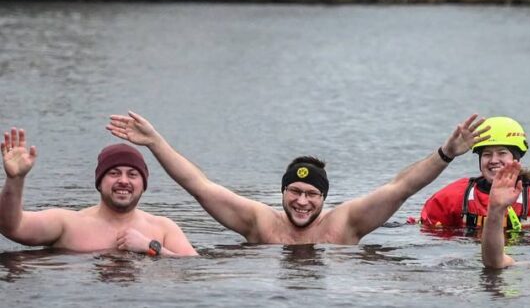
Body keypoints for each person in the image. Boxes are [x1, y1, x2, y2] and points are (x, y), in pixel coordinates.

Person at [106, 112, 489, 245]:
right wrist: (155, 142)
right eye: (294, 192)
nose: (302, 201)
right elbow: (199, 185)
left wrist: (446, 153)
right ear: (282, 192)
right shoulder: (259, 223)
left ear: (324, 199)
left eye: (311, 194)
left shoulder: (346, 224)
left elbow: (402, 187)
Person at [0, 127, 197, 257]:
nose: (123, 181)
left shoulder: (163, 228)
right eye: (114, 173)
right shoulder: (67, 223)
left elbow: (193, 269)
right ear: (99, 182)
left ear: (143, 185)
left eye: (132, 175)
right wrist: (15, 180)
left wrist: (152, 247)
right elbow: (12, 227)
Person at [420, 116, 530, 231]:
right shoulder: (453, 197)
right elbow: (424, 228)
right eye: (487, 154)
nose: (493, 160)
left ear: (516, 159)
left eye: (502, 153)